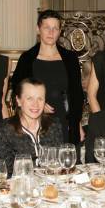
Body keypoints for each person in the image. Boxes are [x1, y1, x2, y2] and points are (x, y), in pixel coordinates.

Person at [10, 10, 84, 145]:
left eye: (55, 28)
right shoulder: (27, 58)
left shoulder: (70, 58)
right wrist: (38, 104)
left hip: (66, 121)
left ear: (60, 31)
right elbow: (17, 89)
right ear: (38, 29)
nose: (51, 32)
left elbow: (77, 93)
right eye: (47, 28)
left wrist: (77, 123)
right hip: (35, 119)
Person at [0, 78, 63, 176]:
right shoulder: (4, 130)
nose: (35, 104)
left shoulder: (54, 126)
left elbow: (58, 165)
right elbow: (5, 172)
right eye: (29, 98)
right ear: (18, 101)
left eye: (40, 98)